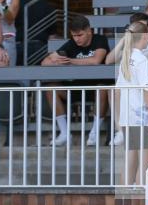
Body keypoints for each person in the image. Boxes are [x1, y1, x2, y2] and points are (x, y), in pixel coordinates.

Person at [42, 15, 110, 146]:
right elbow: (45, 62)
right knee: (51, 88)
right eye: (74, 35)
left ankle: (94, 134)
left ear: (89, 31)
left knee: (103, 88)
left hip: (96, 87)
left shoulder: (100, 39)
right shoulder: (71, 43)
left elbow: (96, 60)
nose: (77, 39)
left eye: (80, 35)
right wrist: (56, 61)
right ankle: (64, 133)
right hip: (75, 86)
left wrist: (71, 61)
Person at [108, 22, 148, 185]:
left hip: (128, 116)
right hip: (141, 116)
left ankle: (126, 201)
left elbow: (117, 91)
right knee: (145, 163)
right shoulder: (141, 59)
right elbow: (146, 90)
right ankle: (141, 203)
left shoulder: (126, 58)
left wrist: (119, 119)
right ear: (145, 36)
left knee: (130, 160)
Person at [16, 0, 50, 65]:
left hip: (20, 44)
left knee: (19, 74)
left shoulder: (16, 2)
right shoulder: (45, 3)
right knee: (37, 74)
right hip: (40, 45)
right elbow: (52, 27)